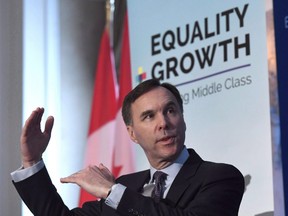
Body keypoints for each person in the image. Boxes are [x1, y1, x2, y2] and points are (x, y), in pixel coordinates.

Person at [11, 79, 244, 216]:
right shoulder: (126, 186)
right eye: (149, 116)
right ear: (132, 133)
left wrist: (112, 192)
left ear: (182, 118)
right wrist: (32, 161)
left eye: (170, 111)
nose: (164, 123)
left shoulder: (220, 177)